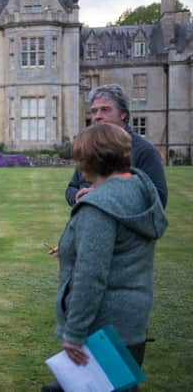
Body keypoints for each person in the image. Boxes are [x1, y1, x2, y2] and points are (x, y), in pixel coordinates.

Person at [42, 123, 168, 392]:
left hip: (101, 329)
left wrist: (74, 334)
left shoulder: (98, 209)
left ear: (87, 161)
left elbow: (90, 276)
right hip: (132, 320)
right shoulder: (139, 190)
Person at [66, 84, 167, 208]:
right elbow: (72, 187)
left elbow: (159, 198)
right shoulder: (89, 147)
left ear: (123, 114)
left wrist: (101, 196)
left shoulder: (145, 150)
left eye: (105, 109)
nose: (97, 116)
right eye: (94, 111)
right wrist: (79, 196)